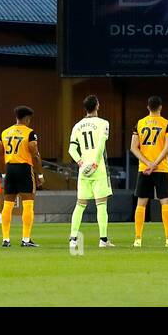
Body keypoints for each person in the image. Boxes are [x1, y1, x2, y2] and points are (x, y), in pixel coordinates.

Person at [68, 95, 114, 249]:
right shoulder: (103, 123)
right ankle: (103, 240)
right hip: (98, 168)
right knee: (101, 205)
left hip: (84, 170)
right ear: (98, 105)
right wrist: (95, 163)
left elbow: (72, 149)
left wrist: (81, 162)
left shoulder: (77, 126)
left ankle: (73, 239)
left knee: (80, 205)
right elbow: (101, 144)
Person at [131, 95, 168, 248]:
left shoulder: (140, 124)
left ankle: (138, 239)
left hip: (144, 169)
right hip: (161, 168)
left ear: (148, 107)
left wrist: (147, 163)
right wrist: (155, 164)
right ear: (160, 107)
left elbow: (133, 147)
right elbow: (167, 148)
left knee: (141, 204)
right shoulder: (167, 124)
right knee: (165, 202)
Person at [0, 105, 44, 247]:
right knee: (28, 204)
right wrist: (40, 174)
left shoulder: (5, 132)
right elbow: (35, 154)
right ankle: (25, 239)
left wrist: (4, 172)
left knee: (7, 205)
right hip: (24, 169)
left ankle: (6, 239)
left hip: (10, 168)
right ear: (27, 118)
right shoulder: (30, 133)